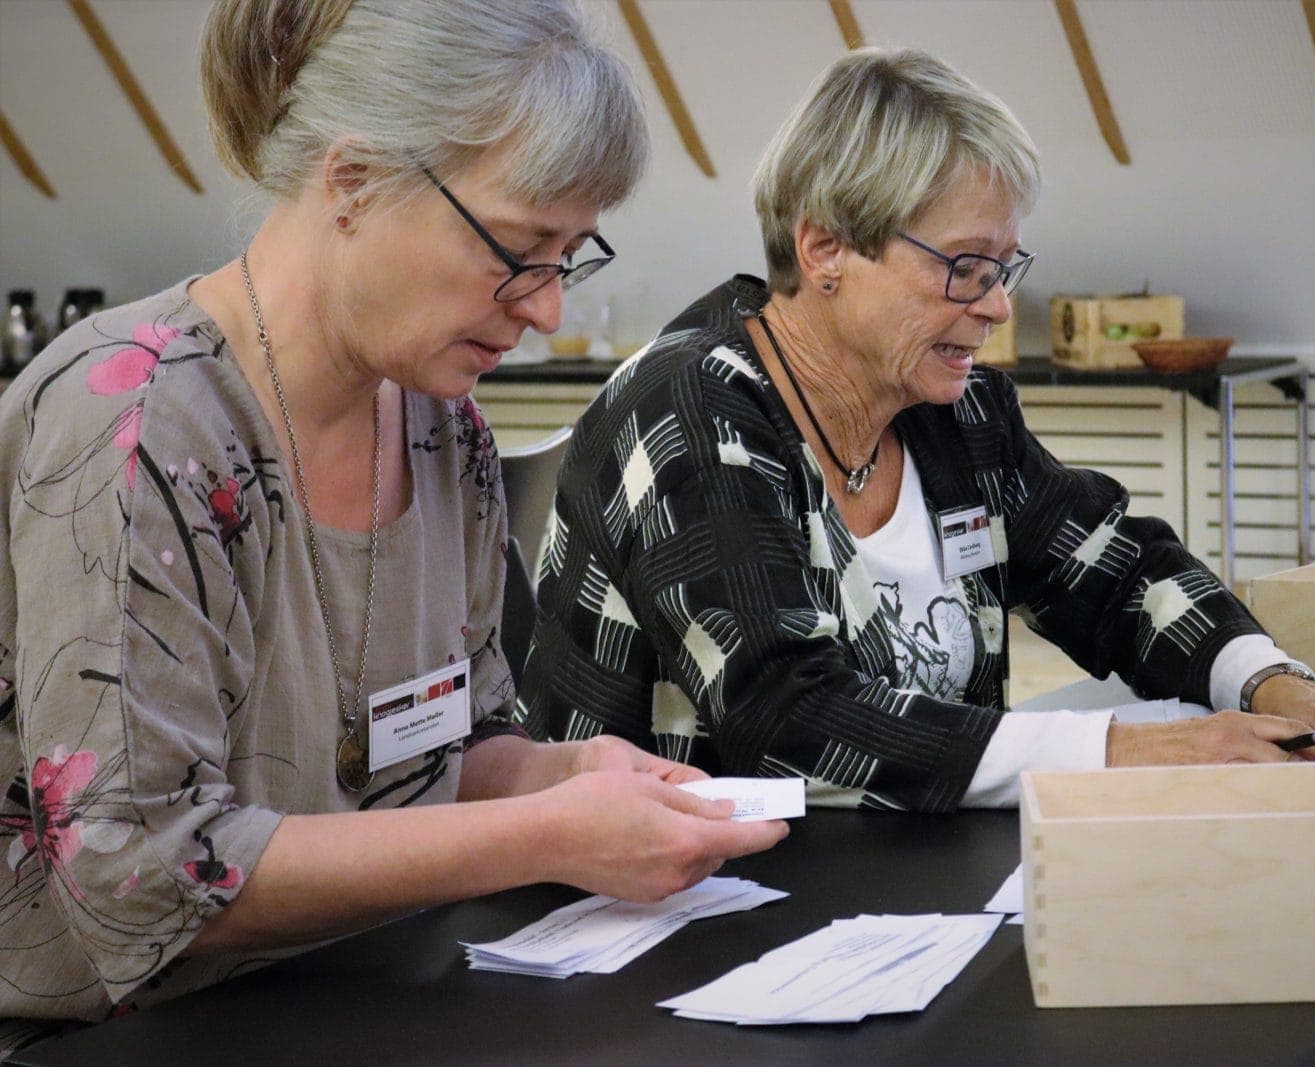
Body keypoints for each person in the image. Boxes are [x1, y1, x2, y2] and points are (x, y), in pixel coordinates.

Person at [0, 0, 786, 1037]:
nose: (547, 307)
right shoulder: (140, 425)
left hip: (358, 994)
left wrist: (562, 772)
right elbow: (140, 872)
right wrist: (544, 834)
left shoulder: (436, 422)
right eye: (519, 246)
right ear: (353, 180)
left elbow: (446, 747)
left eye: (569, 254)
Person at [522, 48, 1315, 812]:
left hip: (895, 904)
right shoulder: (692, 409)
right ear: (825, 249)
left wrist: (1277, 687)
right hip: (672, 934)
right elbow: (790, 717)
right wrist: (1131, 749)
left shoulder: (953, 410)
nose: (999, 305)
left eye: (1006, 266)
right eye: (965, 267)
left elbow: (1118, 572)